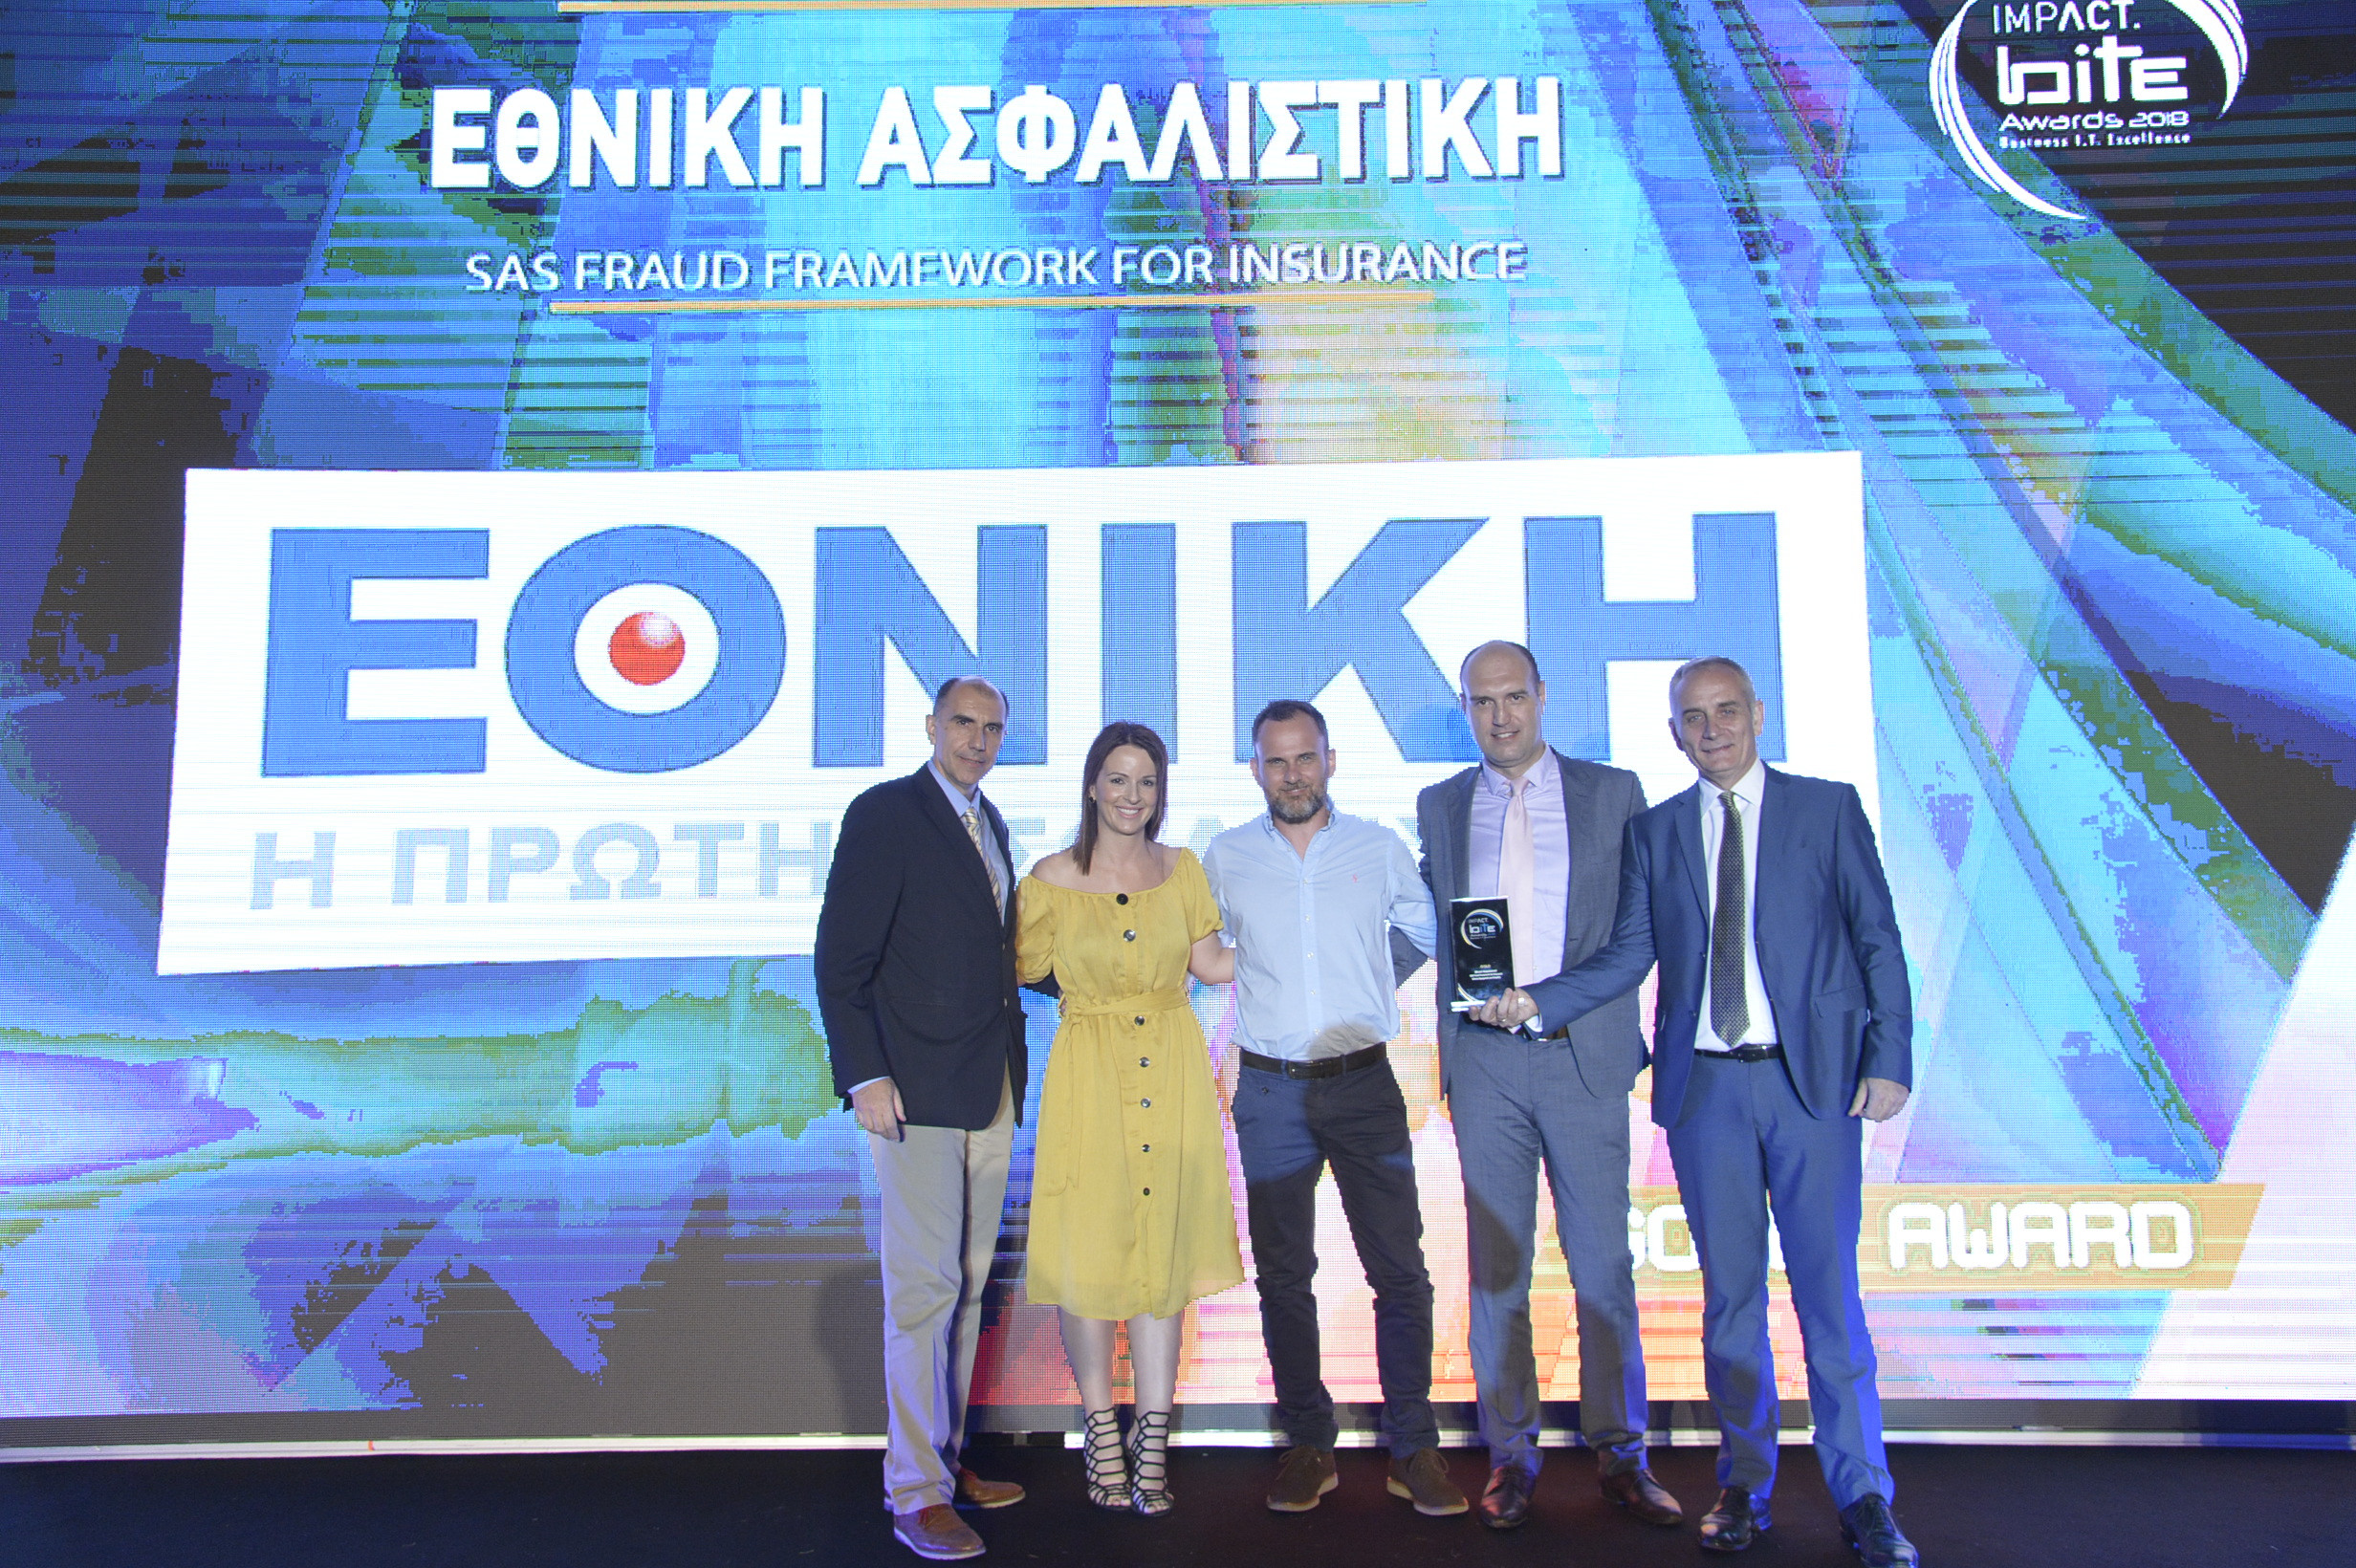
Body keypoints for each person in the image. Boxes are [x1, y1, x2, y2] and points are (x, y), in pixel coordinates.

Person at [1471, 657, 1919, 1567]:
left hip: (1814, 1088)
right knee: (1730, 1304)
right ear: (1674, 732)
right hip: (1706, 1092)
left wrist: (1890, 1059)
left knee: (1830, 1298)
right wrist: (1538, 1000)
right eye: (1693, 717)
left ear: (1758, 713)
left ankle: (1864, 1494)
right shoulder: (1660, 829)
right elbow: (1630, 952)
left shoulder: (1827, 808)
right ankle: (1745, 1484)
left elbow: (1878, 937)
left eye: (1726, 711)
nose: (1711, 729)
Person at [1414, 641, 1680, 1532]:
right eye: (1482, 702)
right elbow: (1427, 926)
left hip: (1581, 1054)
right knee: (1498, 1269)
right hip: (1485, 1062)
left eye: (1514, 697)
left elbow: (1638, 940)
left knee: (1602, 1263)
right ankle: (1511, 1455)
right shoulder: (1441, 804)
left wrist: (1542, 1000)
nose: (1500, 716)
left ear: (1542, 694)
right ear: (1466, 708)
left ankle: (1622, 1453)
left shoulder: (1613, 793)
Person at [1200, 699, 1466, 1519]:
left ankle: (1413, 1447)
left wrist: (1366, 979)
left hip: (1363, 1085)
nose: (1293, 775)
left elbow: (1426, 929)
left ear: (1331, 760)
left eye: (1305, 757)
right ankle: (1309, 1443)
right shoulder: (1225, 856)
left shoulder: (1378, 847)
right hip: (1269, 1089)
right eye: (1276, 761)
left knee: (1400, 1270)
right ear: (1255, 770)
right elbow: (1199, 952)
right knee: (1285, 1275)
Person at [815, 676, 1033, 1563]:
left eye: (992, 728)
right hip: (912, 1092)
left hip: (989, 1086)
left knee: (968, 1287)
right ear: (931, 726)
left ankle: (942, 1457)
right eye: (963, 724)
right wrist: (865, 1075)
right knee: (923, 1292)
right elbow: (841, 959)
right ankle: (914, 1492)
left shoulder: (992, 822)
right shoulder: (885, 813)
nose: (977, 740)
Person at [1014, 722, 1243, 1516]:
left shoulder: (1182, 869)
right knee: (1088, 1253)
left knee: (1163, 1256)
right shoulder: (1049, 878)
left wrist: (1296, 937)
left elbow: (1210, 963)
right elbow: (1021, 968)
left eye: (1146, 781)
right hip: (1089, 1075)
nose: (1131, 796)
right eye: (1117, 778)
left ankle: (1153, 1439)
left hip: (1173, 1072)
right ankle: (1100, 1431)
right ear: (1091, 785)